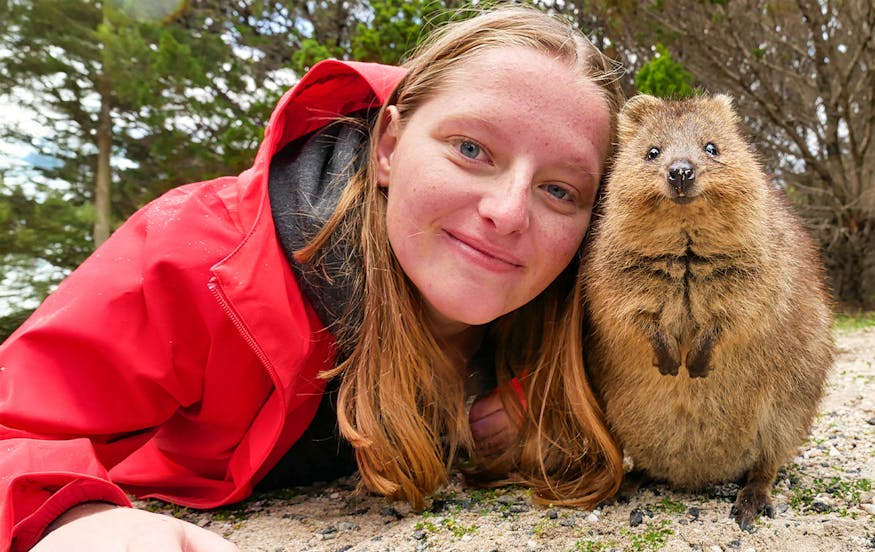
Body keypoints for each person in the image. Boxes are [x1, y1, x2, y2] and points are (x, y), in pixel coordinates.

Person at [0, 6, 626, 551]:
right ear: (388, 145)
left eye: (559, 190)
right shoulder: (203, 256)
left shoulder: (596, 304)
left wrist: (528, 403)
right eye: (471, 149)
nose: (509, 211)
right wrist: (72, 519)